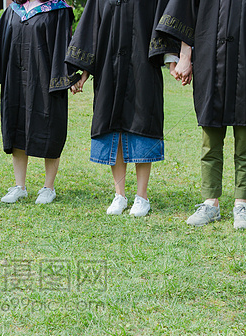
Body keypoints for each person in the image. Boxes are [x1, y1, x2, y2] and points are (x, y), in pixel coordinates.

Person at [155, 0, 246, 230]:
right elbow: (185, 8)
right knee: (210, 138)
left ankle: (242, 203)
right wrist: (184, 54)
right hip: (210, 55)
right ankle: (210, 202)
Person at [65, 0, 177, 217]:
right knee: (113, 130)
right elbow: (90, 30)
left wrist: (172, 61)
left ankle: (142, 197)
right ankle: (120, 195)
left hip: (143, 68)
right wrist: (83, 72)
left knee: (142, 127)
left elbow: (163, 24)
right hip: (109, 70)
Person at [0, 0, 76, 205]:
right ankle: (20, 186)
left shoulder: (57, 9)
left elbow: (64, 45)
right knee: (16, 126)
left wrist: (69, 78)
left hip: (45, 81)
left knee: (49, 129)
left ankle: (48, 187)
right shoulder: (13, 11)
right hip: (15, 80)